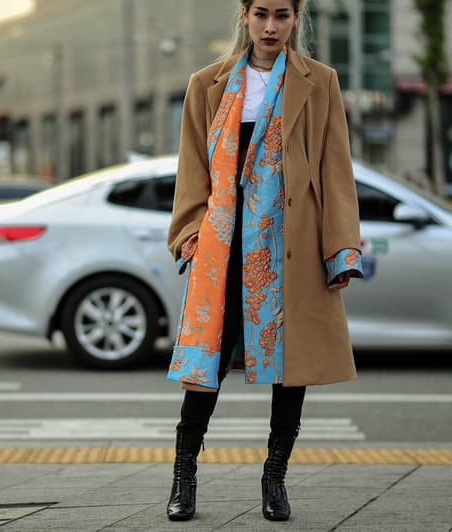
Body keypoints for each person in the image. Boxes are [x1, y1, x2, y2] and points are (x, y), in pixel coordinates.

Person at [165, 0, 363, 523]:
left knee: (290, 365)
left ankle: (274, 479)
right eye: (261, 15)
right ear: (245, 16)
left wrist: (341, 248)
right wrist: (189, 231)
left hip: (291, 244)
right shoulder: (206, 83)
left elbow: (336, 169)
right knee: (207, 363)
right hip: (225, 248)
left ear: (297, 18)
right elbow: (192, 166)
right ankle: (184, 475)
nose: (271, 26)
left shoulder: (319, 82)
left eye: (282, 15)